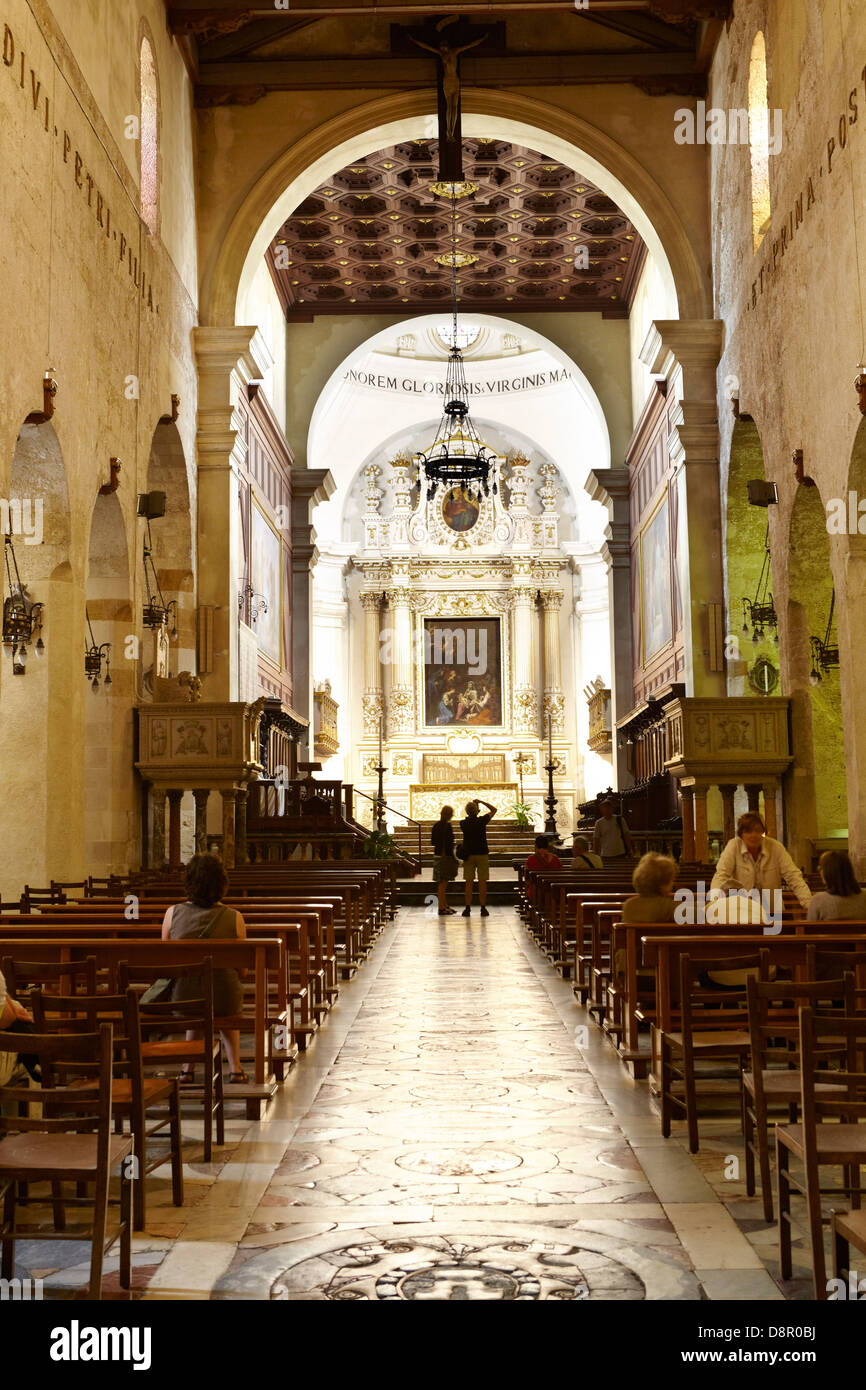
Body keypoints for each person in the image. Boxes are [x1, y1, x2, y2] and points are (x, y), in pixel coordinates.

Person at [161, 854, 249, 1084]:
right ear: (222, 883)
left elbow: (167, 960)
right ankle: (236, 1068)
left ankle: (187, 1069)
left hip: (184, 997)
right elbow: (243, 972)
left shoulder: (172, 913)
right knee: (222, 991)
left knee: (198, 995)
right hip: (223, 998)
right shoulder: (235, 918)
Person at [710, 811, 811, 910]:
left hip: (773, 910)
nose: (754, 835)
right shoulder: (734, 846)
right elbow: (721, 876)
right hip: (743, 911)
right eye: (748, 831)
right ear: (741, 834)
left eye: (758, 830)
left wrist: (808, 903)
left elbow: (793, 876)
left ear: (764, 832)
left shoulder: (775, 847)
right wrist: (714, 903)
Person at [460, 797, 496, 917]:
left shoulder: (463, 823)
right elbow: (494, 809)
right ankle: (483, 908)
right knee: (482, 882)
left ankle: (467, 908)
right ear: (477, 811)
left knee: (469, 883)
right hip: (482, 854)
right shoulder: (482, 821)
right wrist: (481, 802)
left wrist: (476, 808)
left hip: (468, 855)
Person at [807, 849, 866, 920]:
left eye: (821, 868)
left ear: (829, 872)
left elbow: (809, 928)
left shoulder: (818, 900)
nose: (820, 872)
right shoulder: (864, 897)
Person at [431, 804, 458, 916]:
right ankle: (441, 908)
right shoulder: (448, 826)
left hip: (437, 855)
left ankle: (445, 905)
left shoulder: (436, 825)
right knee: (443, 885)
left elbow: (432, 842)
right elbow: (449, 844)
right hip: (445, 857)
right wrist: (453, 857)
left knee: (442, 884)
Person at [523, 835, 563, 903]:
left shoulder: (531, 859)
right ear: (547, 846)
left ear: (535, 846)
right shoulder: (555, 859)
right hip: (553, 893)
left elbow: (527, 878)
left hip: (535, 893)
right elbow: (561, 875)